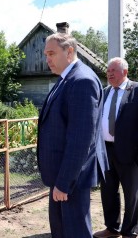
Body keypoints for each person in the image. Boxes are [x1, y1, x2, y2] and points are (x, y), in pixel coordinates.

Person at [37, 33, 109, 238]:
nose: (47, 59)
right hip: (62, 176)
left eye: (51, 53)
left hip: (70, 180)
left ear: (69, 51)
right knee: (61, 231)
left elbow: (80, 139)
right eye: (45, 54)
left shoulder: (82, 81)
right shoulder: (66, 78)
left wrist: (64, 182)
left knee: (75, 232)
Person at [93, 57, 138, 238]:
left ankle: (130, 231)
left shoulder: (136, 90)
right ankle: (112, 228)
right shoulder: (105, 92)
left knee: (132, 193)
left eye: (113, 70)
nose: (109, 74)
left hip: (130, 152)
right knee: (108, 191)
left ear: (125, 72)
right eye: (108, 71)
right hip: (106, 150)